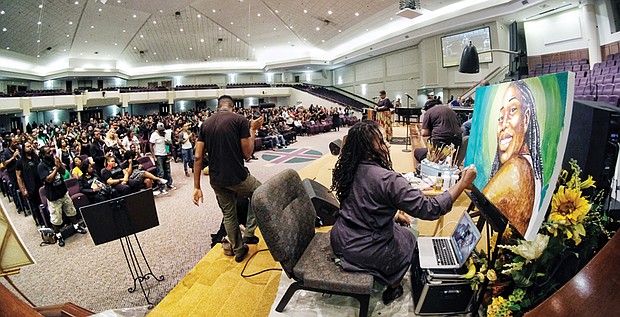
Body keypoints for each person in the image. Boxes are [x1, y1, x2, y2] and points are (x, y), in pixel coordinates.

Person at [329, 120, 477, 305]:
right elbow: (431, 209)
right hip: (363, 248)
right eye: (383, 142)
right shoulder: (388, 180)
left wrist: (394, 215)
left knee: (399, 228)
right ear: (368, 150)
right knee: (410, 239)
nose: (388, 144)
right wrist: (462, 184)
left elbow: (360, 203)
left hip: (340, 237)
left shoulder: (348, 169)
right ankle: (393, 286)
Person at [192, 95, 264, 263]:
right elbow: (247, 154)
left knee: (228, 214)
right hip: (237, 176)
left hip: (216, 179)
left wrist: (196, 186)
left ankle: (239, 250)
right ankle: (249, 233)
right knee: (260, 192)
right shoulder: (240, 120)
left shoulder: (206, 124)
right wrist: (252, 129)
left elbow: (197, 157)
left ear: (218, 107)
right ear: (233, 107)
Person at [482, 81, 542, 235]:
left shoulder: (517, 167)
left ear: (526, 117)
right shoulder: (529, 166)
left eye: (513, 110)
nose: (503, 124)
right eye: (501, 117)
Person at [37, 146, 87, 246]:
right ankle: (58, 235)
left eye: (51, 151)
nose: (51, 154)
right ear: (42, 155)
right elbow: (48, 180)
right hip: (53, 196)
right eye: (47, 153)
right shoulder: (41, 166)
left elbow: (63, 172)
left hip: (63, 192)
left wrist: (59, 164)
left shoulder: (54, 160)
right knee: (56, 219)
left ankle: (76, 226)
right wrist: (56, 167)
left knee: (71, 211)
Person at [15, 141, 44, 226]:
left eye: (30, 146)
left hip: (40, 185)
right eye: (27, 146)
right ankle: (40, 222)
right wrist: (23, 190)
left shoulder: (36, 158)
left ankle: (47, 220)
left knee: (43, 203)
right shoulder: (20, 162)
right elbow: (18, 177)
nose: (30, 147)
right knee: (35, 207)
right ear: (23, 149)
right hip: (30, 187)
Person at [150, 122, 175, 194]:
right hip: (158, 155)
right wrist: (153, 156)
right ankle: (161, 187)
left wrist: (167, 152)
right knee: (160, 172)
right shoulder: (154, 135)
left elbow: (167, 144)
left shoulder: (165, 134)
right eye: (160, 130)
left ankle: (169, 184)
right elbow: (151, 145)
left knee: (167, 170)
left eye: (162, 130)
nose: (161, 131)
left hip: (165, 154)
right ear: (157, 129)